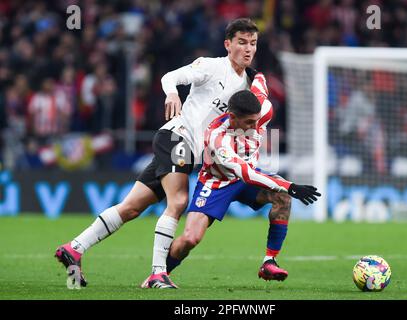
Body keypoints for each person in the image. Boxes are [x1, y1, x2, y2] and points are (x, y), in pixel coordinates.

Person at [55, 18, 260, 289]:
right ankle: (157, 273)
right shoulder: (211, 66)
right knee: (178, 201)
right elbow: (170, 77)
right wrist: (172, 94)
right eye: (242, 42)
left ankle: (75, 248)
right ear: (228, 44)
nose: (248, 49)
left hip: (188, 149)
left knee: (131, 208)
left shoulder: (248, 83)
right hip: (177, 138)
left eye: (253, 43)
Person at [157, 73, 321, 288]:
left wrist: (256, 73)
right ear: (232, 117)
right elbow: (245, 173)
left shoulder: (262, 111)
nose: (255, 127)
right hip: (217, 182)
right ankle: (160, 274)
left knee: (282, 198)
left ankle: (269, 261)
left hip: (247, 176)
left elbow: (261, 84)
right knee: (190, 239)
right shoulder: (217, 136)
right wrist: (291, 186)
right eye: (249, 122)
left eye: (257, 120)